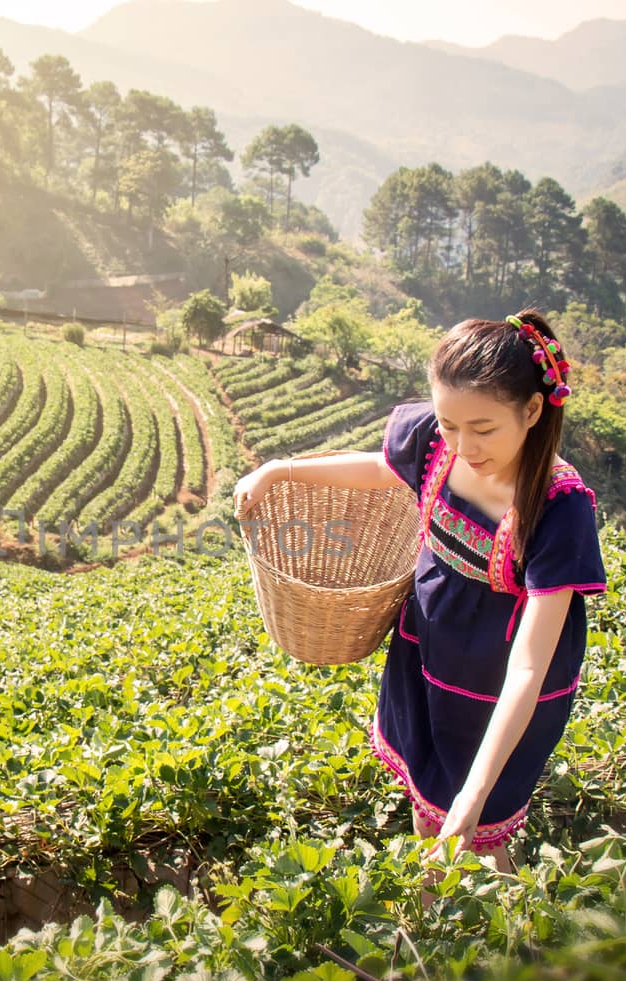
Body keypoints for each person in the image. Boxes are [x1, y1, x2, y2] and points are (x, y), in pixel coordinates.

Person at [233, 310, 606, 872]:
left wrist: (474, 798)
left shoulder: (558, 508)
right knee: (427, 803)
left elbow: (528, 669)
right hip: (429, 646)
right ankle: (428, 915)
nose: (462, 445)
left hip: (499, 687)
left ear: (532, 411)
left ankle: (501, 936)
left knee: (478, 831)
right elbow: (382, 469)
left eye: (483, 429)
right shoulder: (436, 442)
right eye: (449, 424)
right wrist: (280, 470)